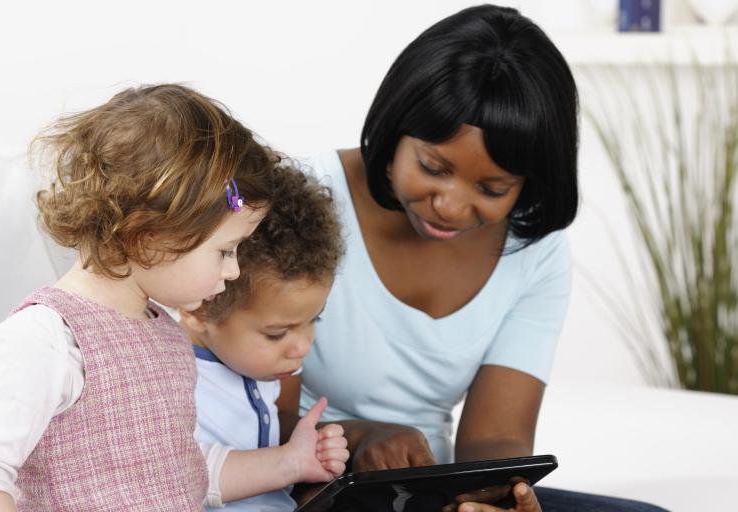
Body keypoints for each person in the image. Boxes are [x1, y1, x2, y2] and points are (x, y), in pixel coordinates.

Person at [276, 5, 668, 512]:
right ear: (395, 132)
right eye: (433, 168)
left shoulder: (535, 250)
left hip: (433, 492)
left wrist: (499, 496)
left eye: (493, 188)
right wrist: (357, 437)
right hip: (305, 485)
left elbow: (496, 438)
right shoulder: (304, 205)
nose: (452, 207)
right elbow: (251, 421)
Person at [0, 84, 275, 511]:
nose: (234, 270)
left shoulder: (167, 336)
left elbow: (178, 470)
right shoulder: (46, 340)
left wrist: (290, 463)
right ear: (151, 235)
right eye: (225, 250)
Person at [178, 163, 348, 511]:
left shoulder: (259, 366)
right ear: (199, 309)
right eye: (276, 334)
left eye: (314, 320)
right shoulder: (170, 381)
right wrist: (288, 462)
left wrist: (311, 453)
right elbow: (171, 476)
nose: (302, 347)